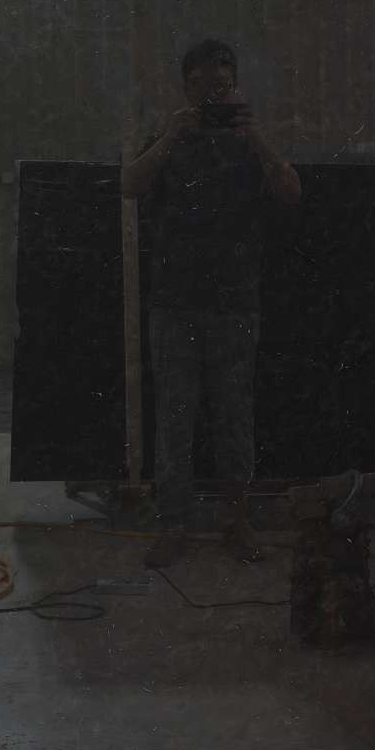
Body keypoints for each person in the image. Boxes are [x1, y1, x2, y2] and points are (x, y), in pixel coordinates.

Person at [122, 39, 300, 567]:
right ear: (185, 87)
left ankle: (236, 521)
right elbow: (128, 185)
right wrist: (172, 135)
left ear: (235, 86)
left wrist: (256, 137)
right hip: (175, 303)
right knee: (175, 420)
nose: (212, 97)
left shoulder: (248, 143)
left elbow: (291, 192)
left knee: (234, 418)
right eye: (202, 87)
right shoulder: (171, 137)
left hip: (235, 303)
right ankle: (172, 525)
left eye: (221, 87)